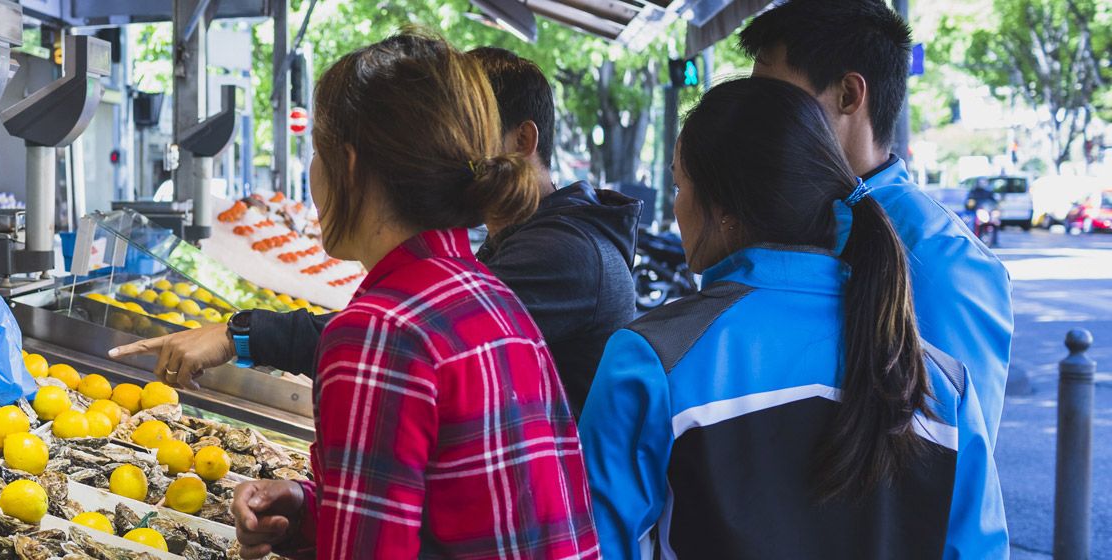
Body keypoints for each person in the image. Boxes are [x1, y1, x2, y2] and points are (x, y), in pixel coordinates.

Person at [580, 78, 1007, 559]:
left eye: (680, 185)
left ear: (723, 211)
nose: (677, 205)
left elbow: (596, 545)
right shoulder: (946, 387)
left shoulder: (652, 360)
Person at [110, 47, 641, 413]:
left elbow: (389, 343)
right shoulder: (494, 257)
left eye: (464, 137)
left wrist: (242, 335)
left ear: (351, 165)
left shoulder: (562, 255)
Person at [227, 31, 595, 559]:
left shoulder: (380, 332)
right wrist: (310, 510)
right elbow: (448, 511)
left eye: (316, 153)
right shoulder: (489, 296)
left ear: (348, 164)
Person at [741, 0, 1011, 437]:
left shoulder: (939, 256)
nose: (754, 120)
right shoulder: (781, 218)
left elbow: (952, 456)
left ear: (849, 95)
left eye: (772, 99)